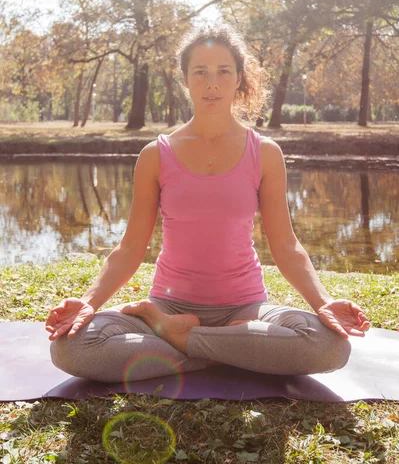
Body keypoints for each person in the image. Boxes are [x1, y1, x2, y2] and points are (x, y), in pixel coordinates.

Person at [46, 24, 370, 383]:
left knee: (330, 346)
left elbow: (286, 245)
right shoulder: (156, 155)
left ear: (238, 79)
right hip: (170, 304)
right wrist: (89, 302)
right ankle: (229, 351)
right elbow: (130, 248)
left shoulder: (264, 153)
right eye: (200, 72)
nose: (212, 83)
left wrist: (323, 303)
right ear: (185, 79)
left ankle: (179, 337)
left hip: (247, 308)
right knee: (72, 347)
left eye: (223, 72)